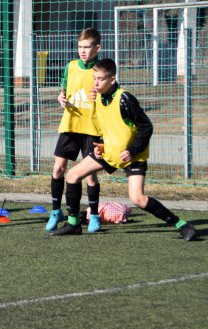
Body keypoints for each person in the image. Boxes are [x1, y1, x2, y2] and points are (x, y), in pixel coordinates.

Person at [51, 58, 197, 241]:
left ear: (112, 79)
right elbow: (111, 127)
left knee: (138, 199)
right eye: (94, 78)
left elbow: (146, 127)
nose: (95, 82)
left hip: (133, 155)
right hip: (111, 152)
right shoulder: (98, 99)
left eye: (100, 79)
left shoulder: (124, 99)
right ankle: (73, 224)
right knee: (72, 176)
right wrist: (103, 144)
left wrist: (132, 149)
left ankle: (181, 224)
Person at [46, 27, 103, 233]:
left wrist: (102, 97)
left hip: (92, 128)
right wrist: (60, 97)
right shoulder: (70, 66)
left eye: (87, 47)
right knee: (58, 169)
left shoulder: (101, 70)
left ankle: (93, 215)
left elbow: (111, 96)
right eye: (80, 47)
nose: (83, 51)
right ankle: (55, 212)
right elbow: (63, 89)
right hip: (70, 125)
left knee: (90, 176)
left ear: (97, 47)